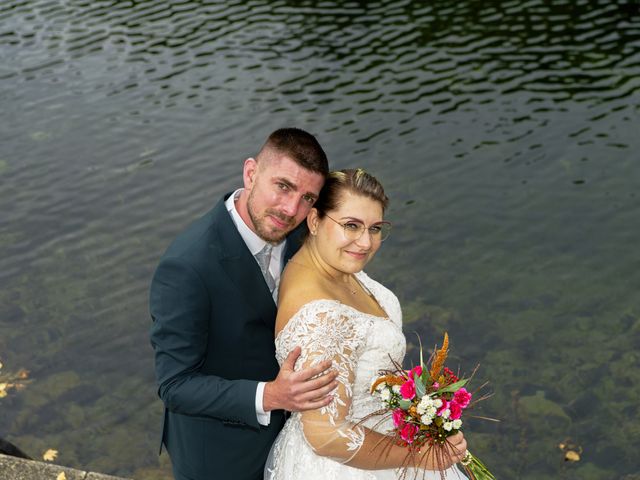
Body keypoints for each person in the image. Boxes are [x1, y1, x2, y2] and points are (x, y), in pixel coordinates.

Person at [149, 128, 340, 480]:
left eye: (307, 198)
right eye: (283, 186)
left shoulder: (304, 234)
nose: (291, 209)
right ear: (251, 173)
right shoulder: (187, 266)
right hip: (221, 458)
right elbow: (175, 386)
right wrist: (270, 395)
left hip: (297, 444)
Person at [265, 169, 469, 479]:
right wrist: (419, 457)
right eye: (351, 226)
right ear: (315, 220)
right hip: (348, 467)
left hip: (382, 441)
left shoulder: (334, 266)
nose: (365, 242)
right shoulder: (323, 318)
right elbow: (326, 434)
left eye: (375, 229)